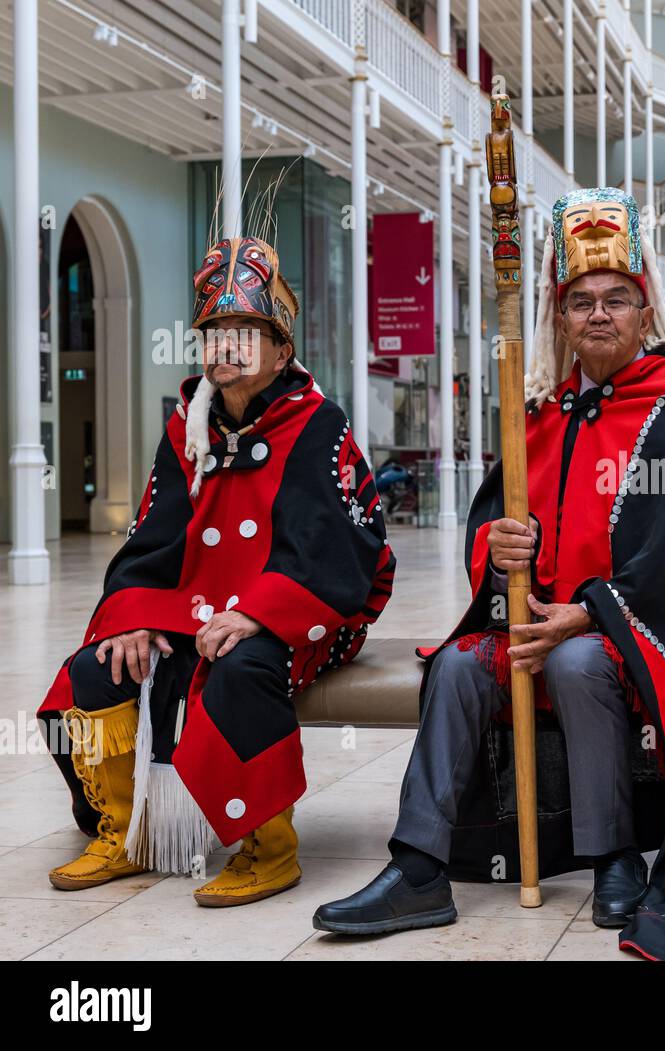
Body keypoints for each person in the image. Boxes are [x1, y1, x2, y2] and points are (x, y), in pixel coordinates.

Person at [315, 187, 665, 960]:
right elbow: (493, 520)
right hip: (530, 622)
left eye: (615, 299)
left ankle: (614, 854)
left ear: (645, 309)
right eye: (580, 300)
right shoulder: (539, 414)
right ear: (559, 316)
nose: (597, 314)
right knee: (456, 665)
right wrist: (497, 547)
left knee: (579, 658)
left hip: (633, 643)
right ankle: (418, 866)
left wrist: (588, 613)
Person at [38, 233, 395, 908]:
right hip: (194, 602)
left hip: (305, 610)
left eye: (246, 333)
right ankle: (128, 830)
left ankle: (270, 844)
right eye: (215, 333)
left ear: (282, 350)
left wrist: (259, 611)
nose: (226, 347)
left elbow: (336, 546)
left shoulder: (319, 423)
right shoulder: (184, 430)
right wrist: (137, 615)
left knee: (243, 665)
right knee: (99, 664)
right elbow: (153, 536)